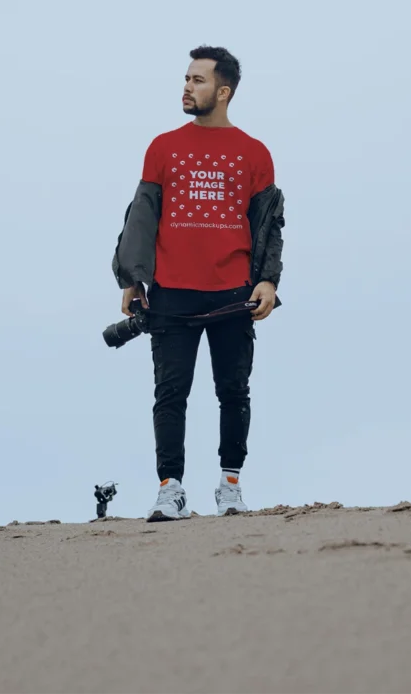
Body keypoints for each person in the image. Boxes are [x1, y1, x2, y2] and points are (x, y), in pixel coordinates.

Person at [112, 46, 285, 521]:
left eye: (198, 80)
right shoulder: (163, 146)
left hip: (233, 294)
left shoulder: (254, 153)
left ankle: (230, 486)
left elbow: (269, 224)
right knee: (170, 394)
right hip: (170, 292)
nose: (187, 87)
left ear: (223, 91)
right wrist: (133, 280)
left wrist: (268, 280)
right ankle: (170, 489)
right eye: (186, 78)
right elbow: (142, 217)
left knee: (234, 391)